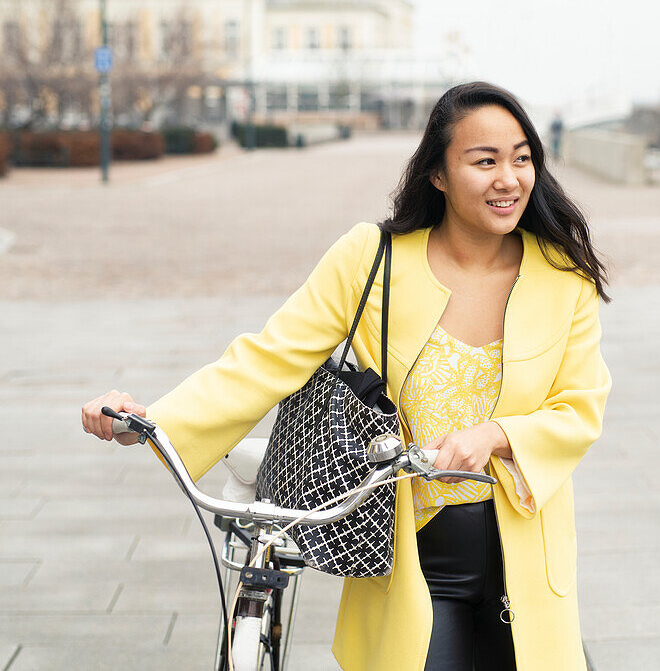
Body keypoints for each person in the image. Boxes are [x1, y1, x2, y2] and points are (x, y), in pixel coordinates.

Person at [81, 81, 612, 670]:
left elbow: (579, 407)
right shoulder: (371, 259)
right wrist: (148, 422)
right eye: (483, 161)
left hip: (529, 561)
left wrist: (494, 436)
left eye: (521, 158)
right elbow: (266, 358)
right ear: (437, 173)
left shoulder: (564, 276)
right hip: (413, 561)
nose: (508, 178)